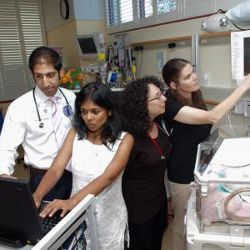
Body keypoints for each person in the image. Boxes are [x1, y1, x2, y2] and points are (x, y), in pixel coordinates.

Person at [161, 58, 250, 250]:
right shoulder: (170, 106)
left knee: (197, 221)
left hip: (199, 170)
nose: (194, 77)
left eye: (193, 72)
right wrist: (244, 86)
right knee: (181, 224)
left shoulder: (195, 97)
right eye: (187, 76)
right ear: (174, 85)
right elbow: (213, 116)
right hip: (182, 174)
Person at [33, 82, 134, 250]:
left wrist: (72, 201)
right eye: (84, 112)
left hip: (108, 214)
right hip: (78, 213)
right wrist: (37, 195)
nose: (89, 118)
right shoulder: (75, 134)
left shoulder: (125, 139)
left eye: (95, 112)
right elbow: (56, 169)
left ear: (109, 111)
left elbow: (107, 177)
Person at [0, 46, 76, 201]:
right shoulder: (20, 106)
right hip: (43, 178)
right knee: (49, 223)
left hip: (76, 173)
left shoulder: (71, 98)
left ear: (60, 72)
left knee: (80, 219)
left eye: (50, 75)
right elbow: (6, 147)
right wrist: (4, 174)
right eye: (39, 76)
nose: (46, 82)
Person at [121, 76, 172, 250]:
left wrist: (168, 198)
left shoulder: (158, 123)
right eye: (158, 97)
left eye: (162, 94)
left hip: (159, 201)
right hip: (139, 208)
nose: (164, 99)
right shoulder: (129, 137)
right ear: (142, 104)